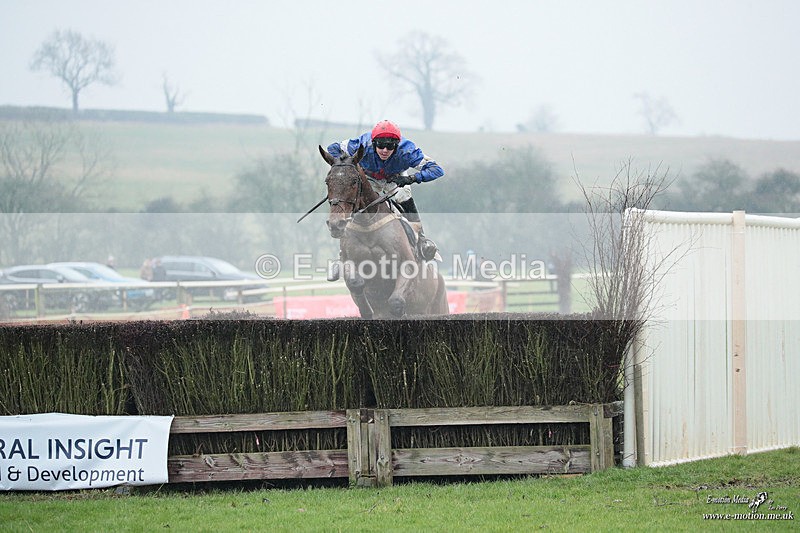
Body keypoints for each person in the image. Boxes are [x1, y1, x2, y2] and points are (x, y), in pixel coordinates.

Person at [326, 120, 444, 279]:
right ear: (373, 143)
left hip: (395, 181)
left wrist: (412, 178)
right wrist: (348, 166)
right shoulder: (361, 144)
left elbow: (437, 170)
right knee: (353, 205)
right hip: (368, 181)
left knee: (405, 196)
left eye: (390, 146)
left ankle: (422, 240)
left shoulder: (407, 150)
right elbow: (332, 149)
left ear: (397, 145)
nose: (385, 150)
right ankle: (341, 257)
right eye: (380, 145)